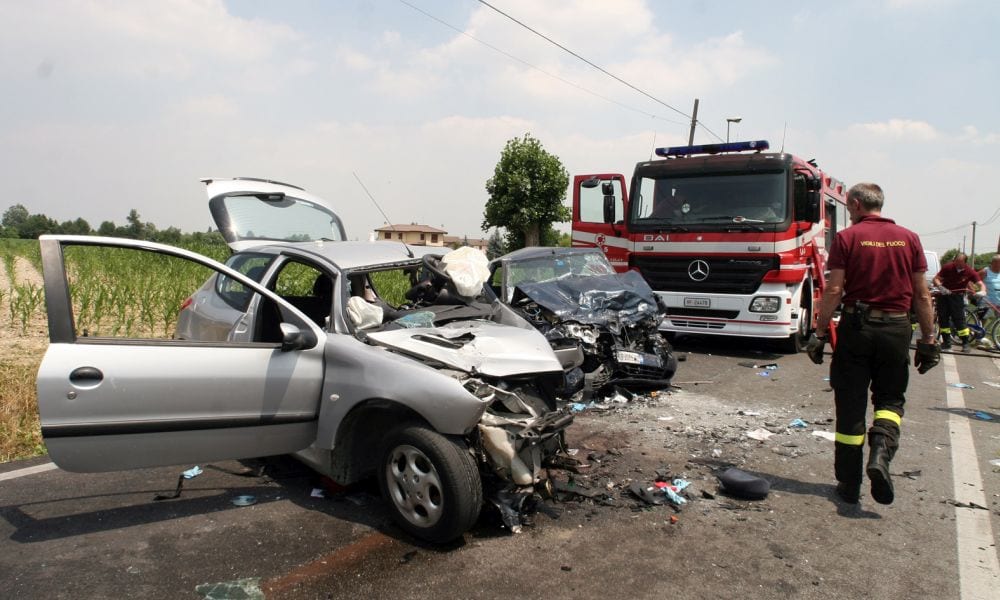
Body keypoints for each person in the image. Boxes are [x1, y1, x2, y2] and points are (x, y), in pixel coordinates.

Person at [809, 182, 939, 506]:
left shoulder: (847, 237)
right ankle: (881, 454)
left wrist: (820, 332)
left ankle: (849, 485)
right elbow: (922, 295)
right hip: (896, 328)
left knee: (851, 404)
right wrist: (929, 339)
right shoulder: (910, 239)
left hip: (857, 327)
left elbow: (834, 291)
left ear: (853, 204)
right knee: (890, 400)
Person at [932, 253, 984, 352]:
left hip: (957, 298)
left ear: (965, 262)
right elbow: (936, 279)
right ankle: (946, 342)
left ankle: (965, 343)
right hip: (944, 296)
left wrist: (982, 291)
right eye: (956, 262)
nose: (957, 265)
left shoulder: (970, 272)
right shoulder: (948, 267)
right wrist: (941, 287)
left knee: (959, 320)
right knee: (943, 319)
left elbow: (980, 284)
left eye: (960, 263)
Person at [976, 255, 1000, 320]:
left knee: (997, 322)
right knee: (982, 321)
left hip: (998, 301)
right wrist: (974, 291)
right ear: (993, 263)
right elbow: (972, 279)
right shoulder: (985, 271)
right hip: (986, 302)